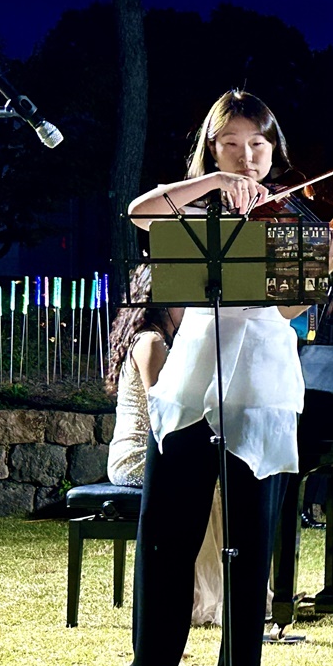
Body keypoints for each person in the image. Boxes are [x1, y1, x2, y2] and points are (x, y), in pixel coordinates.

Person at [96, 89, 333, 666]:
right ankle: (149, 660)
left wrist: (323, 274)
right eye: (230, 145)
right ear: (212, 149)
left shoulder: (289, 221)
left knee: (250, 532)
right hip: (193, 373)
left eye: (256, 146)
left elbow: (286, 307)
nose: (245, 157)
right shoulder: (194, 207)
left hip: (260, 376)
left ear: (273, 151)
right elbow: (138, 211)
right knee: (166, 525)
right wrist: (211, 183)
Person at [104, 266, 226, 627]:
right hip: (136, 456)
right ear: (163, 303)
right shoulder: (151, 342)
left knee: (213, 481)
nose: (191, 310)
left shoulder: (160, 340)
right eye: (185, 301)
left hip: (158, 447)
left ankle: (221, 591)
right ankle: (200, 596)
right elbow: (165, 407)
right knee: (207, 485)